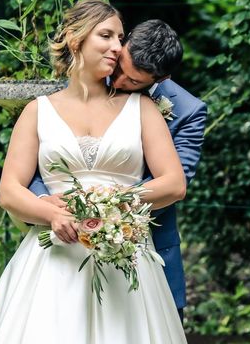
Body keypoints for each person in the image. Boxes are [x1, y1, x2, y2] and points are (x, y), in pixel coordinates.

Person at [0, 0, 188, 344]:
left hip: (125, 255)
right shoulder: (36, 112)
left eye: (120, 37)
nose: (118, 46)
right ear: (76, 39)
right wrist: (50, 214)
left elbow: (174, 183)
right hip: (54, 257)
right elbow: (9, 191)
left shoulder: (142, 108)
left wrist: (113, 203)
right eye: (106, 35)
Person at [31, 19, 208, 320]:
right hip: (66, 240)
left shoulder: (188, 111)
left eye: (134, 81)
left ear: (160, 78)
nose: (120, 81)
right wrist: (44, 202)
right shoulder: (87, 81)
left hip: (143, 245)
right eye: (121, 69)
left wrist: (107, 210)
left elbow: (175, 183)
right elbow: (47, 157)